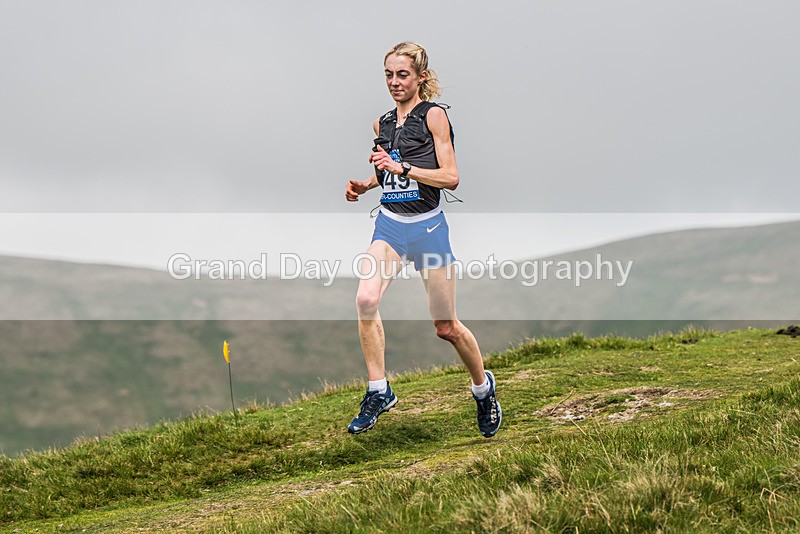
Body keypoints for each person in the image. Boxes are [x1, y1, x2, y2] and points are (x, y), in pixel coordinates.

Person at [344, 42, 501, 438]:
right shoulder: (381, 124)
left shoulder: (434, 117)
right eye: (389, 75)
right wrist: (366, 184)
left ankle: (483, 390)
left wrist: (405, 167)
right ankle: (379, 390)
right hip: (391, 226)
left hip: (429, 228)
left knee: (445, 326)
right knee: (365, 299)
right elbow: (388, 173)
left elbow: (450, 177)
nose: (395, 83)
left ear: (421, 78)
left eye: (403, 75)